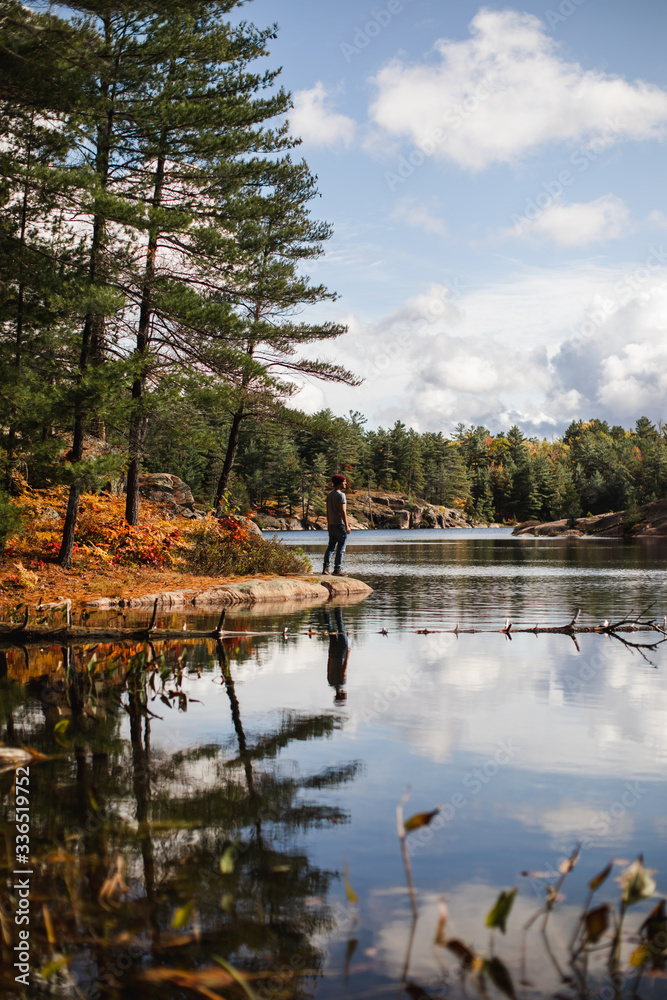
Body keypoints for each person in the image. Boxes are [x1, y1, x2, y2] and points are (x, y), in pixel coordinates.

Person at [322, 473, 350, 576]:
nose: (346, 483)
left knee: (330, 547)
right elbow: (342, 511)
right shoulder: (341, 495)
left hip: (332, 525)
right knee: (341, 548)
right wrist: (347, 525)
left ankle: (325, 568)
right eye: (344, 481)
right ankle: (337, 569)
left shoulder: (329, 495)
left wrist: (329, 525)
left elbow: (328, 511)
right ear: (340, 483)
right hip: (340, 525)